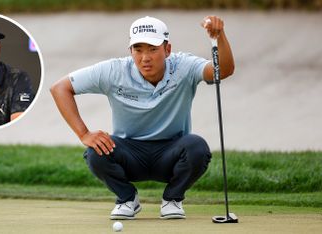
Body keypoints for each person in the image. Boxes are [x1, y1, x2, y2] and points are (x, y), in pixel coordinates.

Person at [50, 15, 234, 220]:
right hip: (129, 153)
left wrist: (220, 37)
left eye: (153, 49)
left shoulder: (184, 66)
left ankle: (173, 199)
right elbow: (60, 88)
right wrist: (83, 133)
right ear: (130, 51)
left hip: (171, 153)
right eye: (138, 49)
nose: (145, 58)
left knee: (197, 147)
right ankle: (127, 199)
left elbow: (223, 70)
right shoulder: (114, 70)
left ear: (167, 49)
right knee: (95, 152)